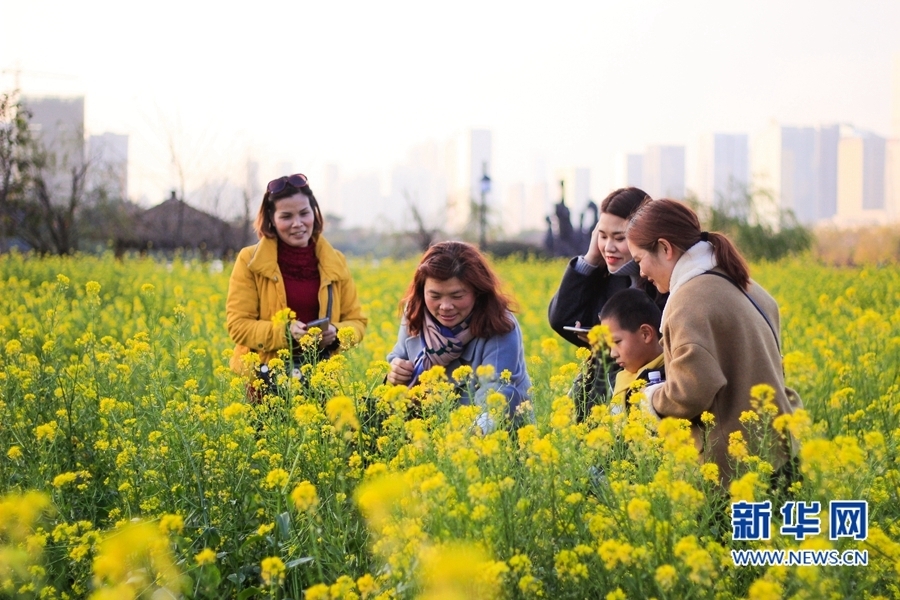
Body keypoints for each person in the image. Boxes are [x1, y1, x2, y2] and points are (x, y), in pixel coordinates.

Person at [625, 198, 798, 484]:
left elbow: (689, 393)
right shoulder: (746, 285)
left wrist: (649, 399)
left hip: (736, 471)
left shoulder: (688, 301)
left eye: (640, 260)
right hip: (781, 452)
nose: (641, 272)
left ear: (665, 248)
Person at [226, 173, 367, 379]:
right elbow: (238, 326)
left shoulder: (335, 261)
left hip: (322, 379)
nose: (298, 223)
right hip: (267, 380)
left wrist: (337, 333)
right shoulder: (250, 260)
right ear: (271, 220)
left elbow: (357, 321)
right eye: (286, 216)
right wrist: (285, 333)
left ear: (315, 213)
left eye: (304, 213)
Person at [547, 187, 666, 418]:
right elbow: (561, 319)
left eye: (619, 238)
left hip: (645, 400)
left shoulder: (661, 283)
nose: (609, 247)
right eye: (602, 235)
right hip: (602, 402)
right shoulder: (610, 279)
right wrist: (591, 257)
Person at [386, 241, 531, 430]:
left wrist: (467, 442)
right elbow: (397, 357)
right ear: (423, 292)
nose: (445, 306)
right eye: (435, 296)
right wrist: (395, 373)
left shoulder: (498, 325)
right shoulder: (415, 312)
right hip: (425, 434)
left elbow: (497, 391)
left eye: (457, 296)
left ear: (477, 292)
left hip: (492, 437)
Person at [598, 288, 665, 413]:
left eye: (617, 342)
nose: (613, 353)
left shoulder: (670, 380)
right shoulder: (621, 377)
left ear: (645, 334)